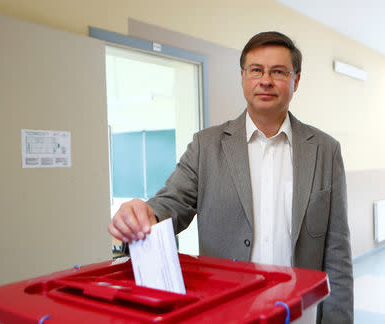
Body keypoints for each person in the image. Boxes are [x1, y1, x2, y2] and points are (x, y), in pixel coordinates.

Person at [108, 31, 353, 323]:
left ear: (296, 80)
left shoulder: (325, 150)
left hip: (300, 312)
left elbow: (337, 251)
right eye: (256, 70)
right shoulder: (206, 146)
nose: (266, 80)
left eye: (278, 71)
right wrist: (143, 216)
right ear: (242, 77)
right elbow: (169, 204)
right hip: (228, 312)